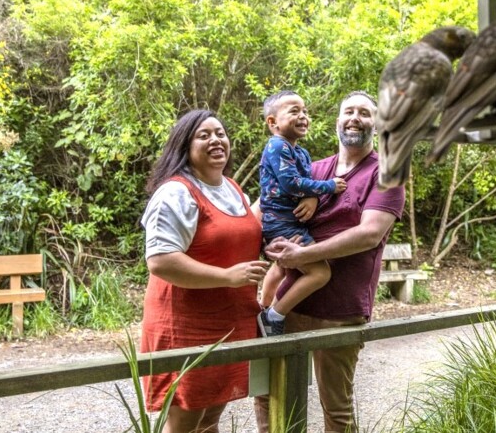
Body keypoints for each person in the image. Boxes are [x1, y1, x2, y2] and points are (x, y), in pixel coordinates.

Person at [255, 91, 406, 433]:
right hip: (289, 302)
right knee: (270, 395)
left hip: (339, 311)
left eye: (364, 113)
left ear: (377, 124)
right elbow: (266, 204)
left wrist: (303, 255)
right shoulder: (314, 168)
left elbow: (369, 234)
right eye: (348, 111)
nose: (355, 117)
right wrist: (266, 241)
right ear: (337, 122)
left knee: (335, 407)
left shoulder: (387, 173)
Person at [140, 109, 269, 433]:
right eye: (204, 135)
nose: (216, 140)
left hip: (229, 323)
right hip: (186, 328)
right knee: (184, 423)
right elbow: (160, 259)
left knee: (210, 419)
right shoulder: (175, 192)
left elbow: (237, 234)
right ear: (185, 145)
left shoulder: (233, 189)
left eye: (221, 133)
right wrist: (227, 276)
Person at [257, 90, 347, 337]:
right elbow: (291, 183)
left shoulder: (302, 153)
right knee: (320, 272)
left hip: (293, 223)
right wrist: (328, 186)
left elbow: (304, 184)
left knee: (287, 269)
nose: (303, 116)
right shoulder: (276, 145)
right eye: (294, 111)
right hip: (281, 224)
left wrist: (314, 195)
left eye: (305, 111)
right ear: (273, 123)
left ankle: (263, 307)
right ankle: (272, 314)